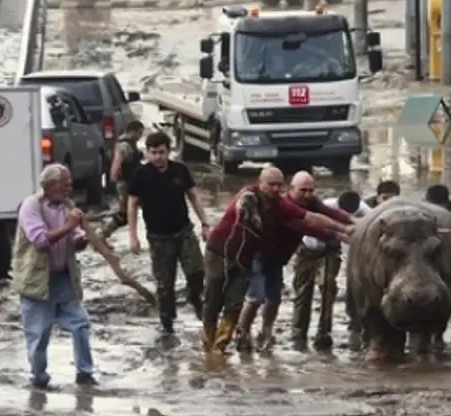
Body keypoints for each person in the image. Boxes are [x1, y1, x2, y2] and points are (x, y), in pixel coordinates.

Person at [201, 167, 353, 353]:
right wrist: (338, 235)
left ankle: (223, 346)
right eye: (270, 184)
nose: (274, 189)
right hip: (223, 251)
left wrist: (347, 226)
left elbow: (314, 216)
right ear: (260, 182)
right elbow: (305, 226)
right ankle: (210, 341)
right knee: (217, 297)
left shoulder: (282, 205)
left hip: (254, 258)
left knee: (240, 302)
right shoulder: (249, 196)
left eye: (278, 185)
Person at [13, 164, 97, 389]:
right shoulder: (31, 207)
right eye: (65, 183)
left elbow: (76, 237)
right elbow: (40, 242)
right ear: (49, 186)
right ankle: (39, 380)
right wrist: (69, 227)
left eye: (70, 182)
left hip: (63, 279)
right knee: (39, 336)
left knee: (80, 325)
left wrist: (80, 240)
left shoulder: (68, 205)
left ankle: (85, 374)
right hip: (37, 282)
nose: (70, 186)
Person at [127, 131, 209, 333]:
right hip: (158, 237)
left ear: (169, 151)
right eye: (153, 152)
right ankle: (167, 324)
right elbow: (132, 204)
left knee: (197, 272)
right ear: (147, 152)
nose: (157, 157)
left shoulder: (179, 170)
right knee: (165, 283)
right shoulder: (141, 175)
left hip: (184, 230)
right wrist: (133, 235)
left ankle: (198, 305)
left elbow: (193, 197)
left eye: (161, 152)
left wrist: (205, 224)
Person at [293, 187, 369, 350]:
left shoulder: (364, 211)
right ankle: (299, 331)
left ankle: (323, 332)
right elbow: (307, 224)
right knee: (302, 291)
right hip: (307, 249)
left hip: (330, 250)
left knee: (328, 287)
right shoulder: (326, 206)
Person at [98, 120, 144, 240]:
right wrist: (113, 180)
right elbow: (117, 161)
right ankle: (101, 234)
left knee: (130, 212)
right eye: (139, 133)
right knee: (124, 214)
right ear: (132, 131)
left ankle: (102, 233)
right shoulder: (124, 145)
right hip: (126, 184)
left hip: (132, 183)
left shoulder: (128, 143)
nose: (140, 137)